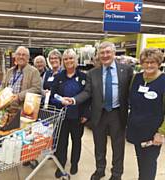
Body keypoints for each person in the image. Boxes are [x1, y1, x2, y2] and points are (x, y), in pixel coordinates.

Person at [63, 41, 133, 180]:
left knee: (118, 146)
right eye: (102, 53)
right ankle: (100, 169)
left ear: (114, 53)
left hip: (117, 113)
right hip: (99, 114)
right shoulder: (92, 73)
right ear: (98, 55)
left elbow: (131, 92)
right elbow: (87, 92)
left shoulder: (126, 70)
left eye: (108, 52)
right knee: (99, 145)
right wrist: (74, 100)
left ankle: (116, 173)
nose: (105, 55)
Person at [50, 49, 91, 178]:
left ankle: (74, 163)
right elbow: (52, 97)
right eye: (66, 59)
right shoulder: (58, 77)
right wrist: (60, 101)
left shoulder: (84, 77)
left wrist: (85, 114)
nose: (68, 61)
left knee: (76, 141)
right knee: (61, 143)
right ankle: (61, 165)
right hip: (62, 116)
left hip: (77, 117)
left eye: (71, 58)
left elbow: (88, 97)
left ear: (76, 60)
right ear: (63, 61)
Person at [126, 48, 165, 180]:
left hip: (153, 132)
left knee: (149, 163)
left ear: (159, 63)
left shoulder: (163, 80)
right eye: (146, 62)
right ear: (141, 63)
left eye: (152, 62)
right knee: (141, 161)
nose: (149, 65)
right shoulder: (136, 78)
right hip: (137, 129)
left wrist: (161, 132)